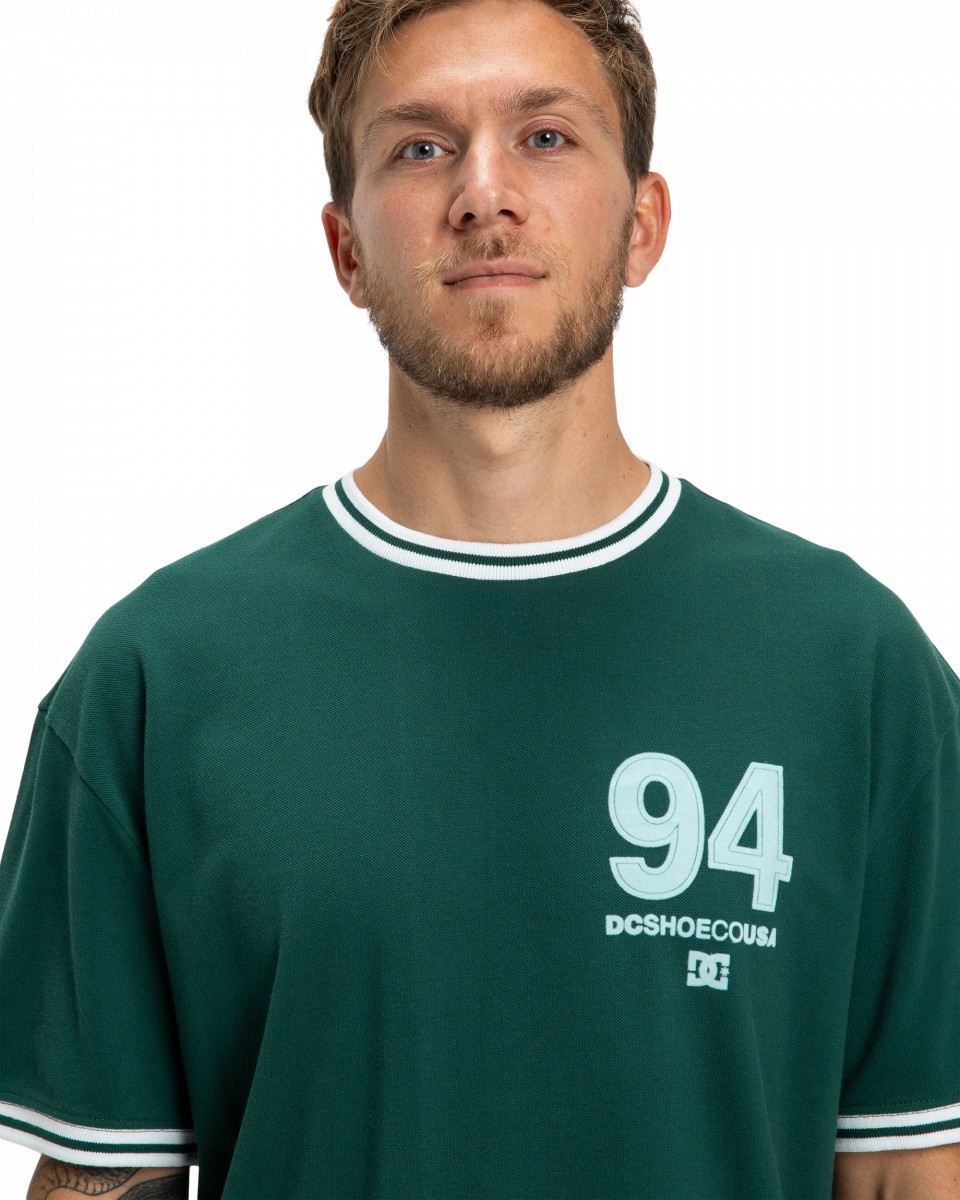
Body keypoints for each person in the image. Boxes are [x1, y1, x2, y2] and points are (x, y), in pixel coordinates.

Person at [1, 0, 959, 1196]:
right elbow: (101, 1180)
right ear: (346, 250)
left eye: (546, 137)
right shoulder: (158, 678)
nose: (483, 193)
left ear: (644, 225)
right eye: (421, 147)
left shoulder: (854, 671)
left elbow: (907, 1169)